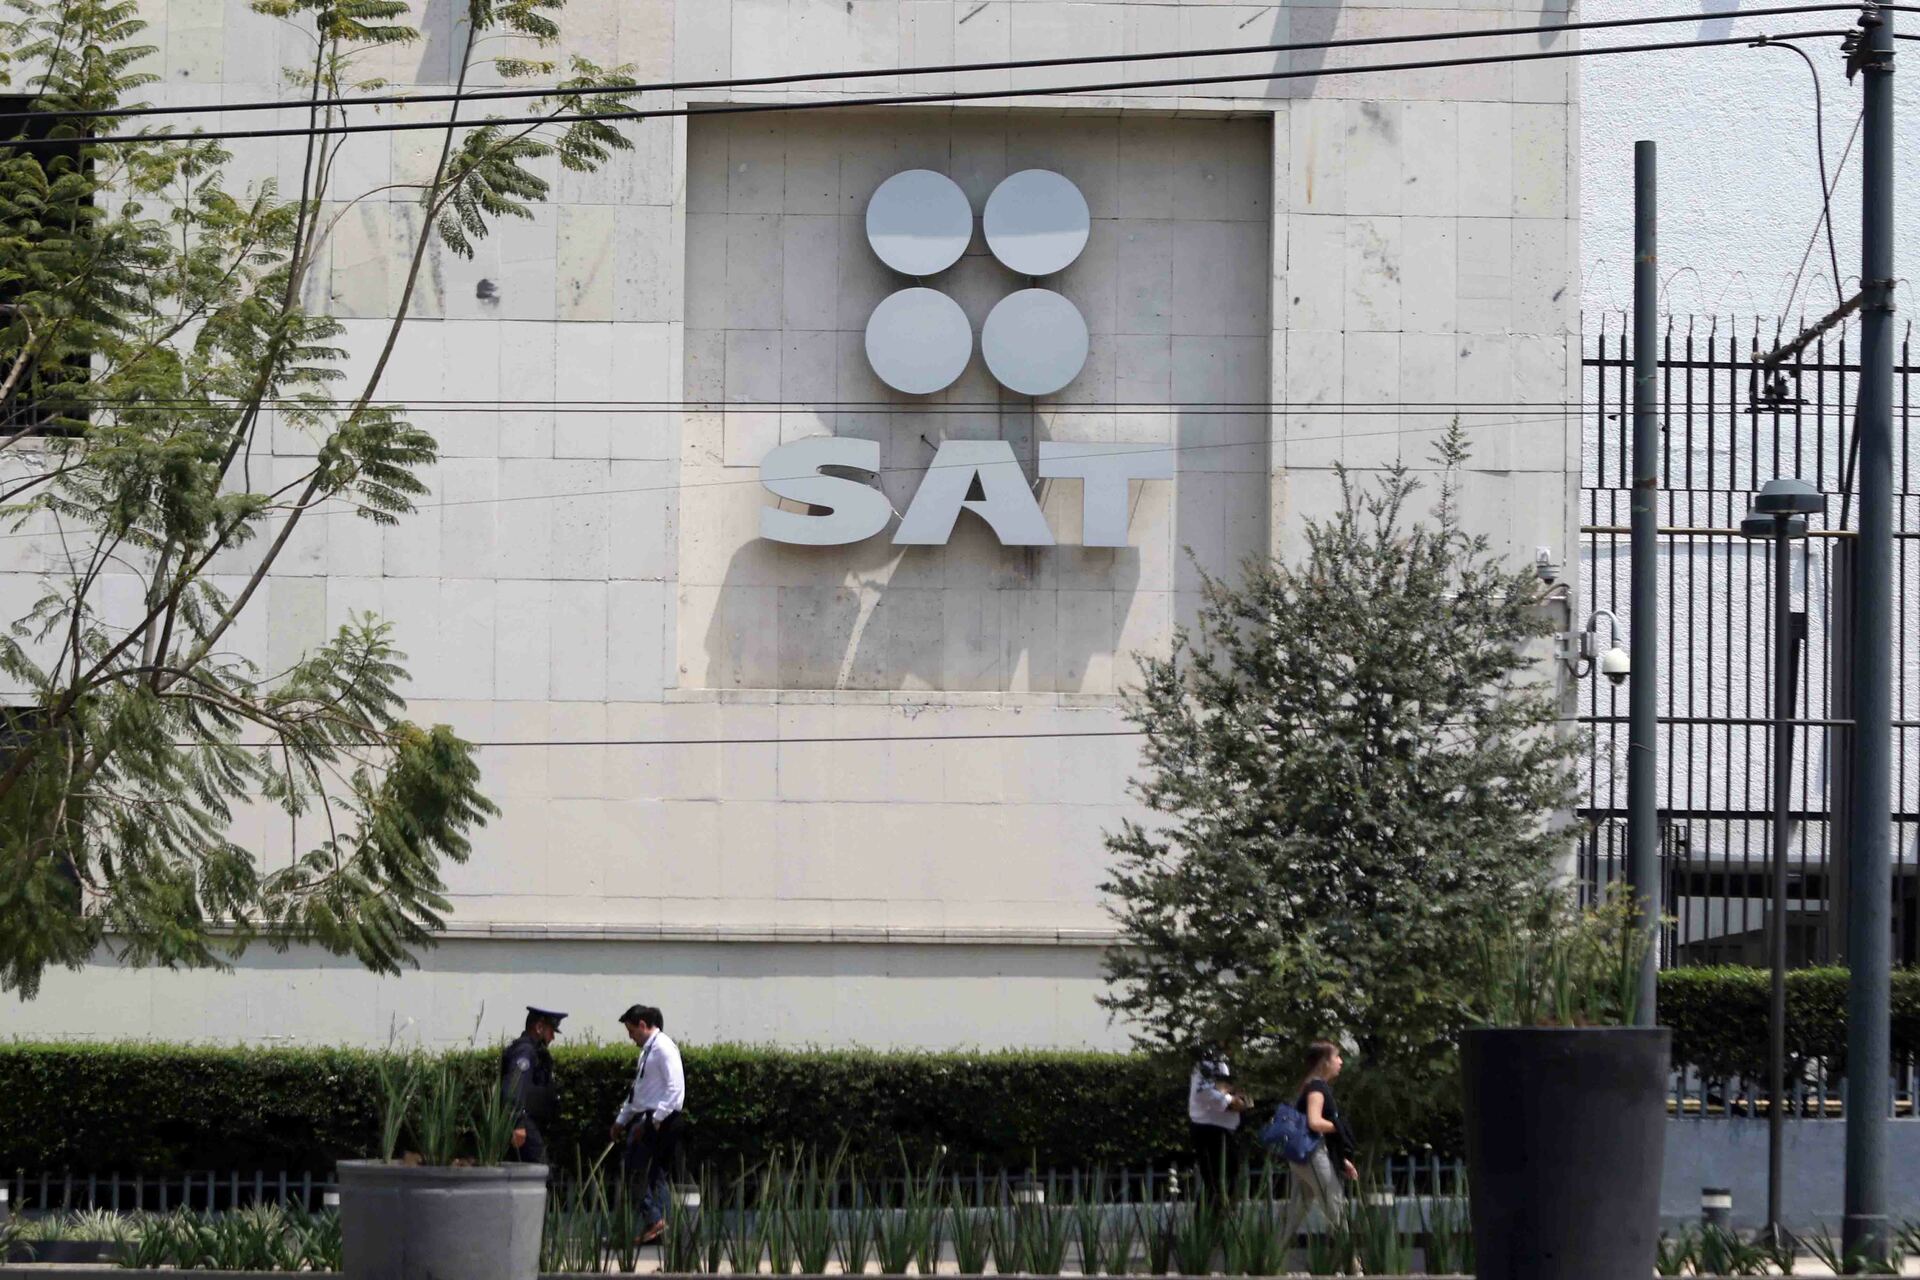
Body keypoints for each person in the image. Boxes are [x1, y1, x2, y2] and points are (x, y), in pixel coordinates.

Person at [1282, 1039, 1361, 1272]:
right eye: (1336, 1057)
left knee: (1295, 1213)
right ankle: (1353, 1267)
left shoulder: (1311, 1086)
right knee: (1336, 1207)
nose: (1340, 1062)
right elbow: (1315, 1122)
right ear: (1324, 1062)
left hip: (1305, 1158)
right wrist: (1339, 1126)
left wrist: (1341, 1160)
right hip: (1313, 1158)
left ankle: (1269, 1261)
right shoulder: (1317, 1088)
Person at [611, 1004, 685, 1245]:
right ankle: (663, 1226)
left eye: (631, 1031)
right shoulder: (648, 1051)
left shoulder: (663, 1047)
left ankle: (655, 1219)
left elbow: (675, 1089)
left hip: (659, 1118)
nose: (630, 1037)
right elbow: (640, 1092)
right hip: (651, 1116)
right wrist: (621, 1120)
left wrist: (654, 1120)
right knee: (655, 1175)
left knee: (635, 1171)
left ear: (643, 1025)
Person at [500, 1006, 565, 1164]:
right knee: (540, 1170)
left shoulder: (535, 1052)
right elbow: (514, 1086)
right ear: (539, 1027)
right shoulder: (525, 1051)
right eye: (551, 1031)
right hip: (523, 1123)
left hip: (530, 1122)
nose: (552, 1037)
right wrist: (517, 1123)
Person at [1188, 1048, 1251, 1198]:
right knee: (1216, 1183)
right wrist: (1230, 1100)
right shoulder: (1208, 1063)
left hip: (1227, 1129)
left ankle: (1221, 1211)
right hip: (1210, 1129)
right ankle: (1212, 1213)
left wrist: (1243, 1101)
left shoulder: (1229, 1061)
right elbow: (1203, 1093)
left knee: (1229, 1180)